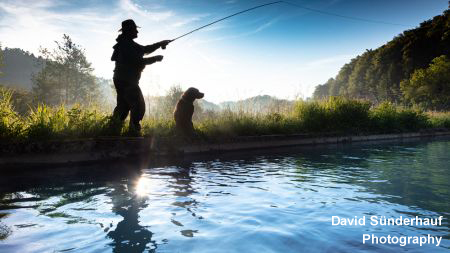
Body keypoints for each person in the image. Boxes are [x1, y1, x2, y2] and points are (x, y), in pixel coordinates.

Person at [111, 19, 171, 135]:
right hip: (127, 80)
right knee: (138, 106)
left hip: (122, 79)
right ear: (129, 31)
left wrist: (160, 44)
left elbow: (144, 49)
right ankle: (133, 133)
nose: (137, 32)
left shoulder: (127, 43)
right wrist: (155, 59)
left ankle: (112, 132)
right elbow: (137, 61)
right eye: (135, 30)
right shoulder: (125, 45)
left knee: (123, 107)